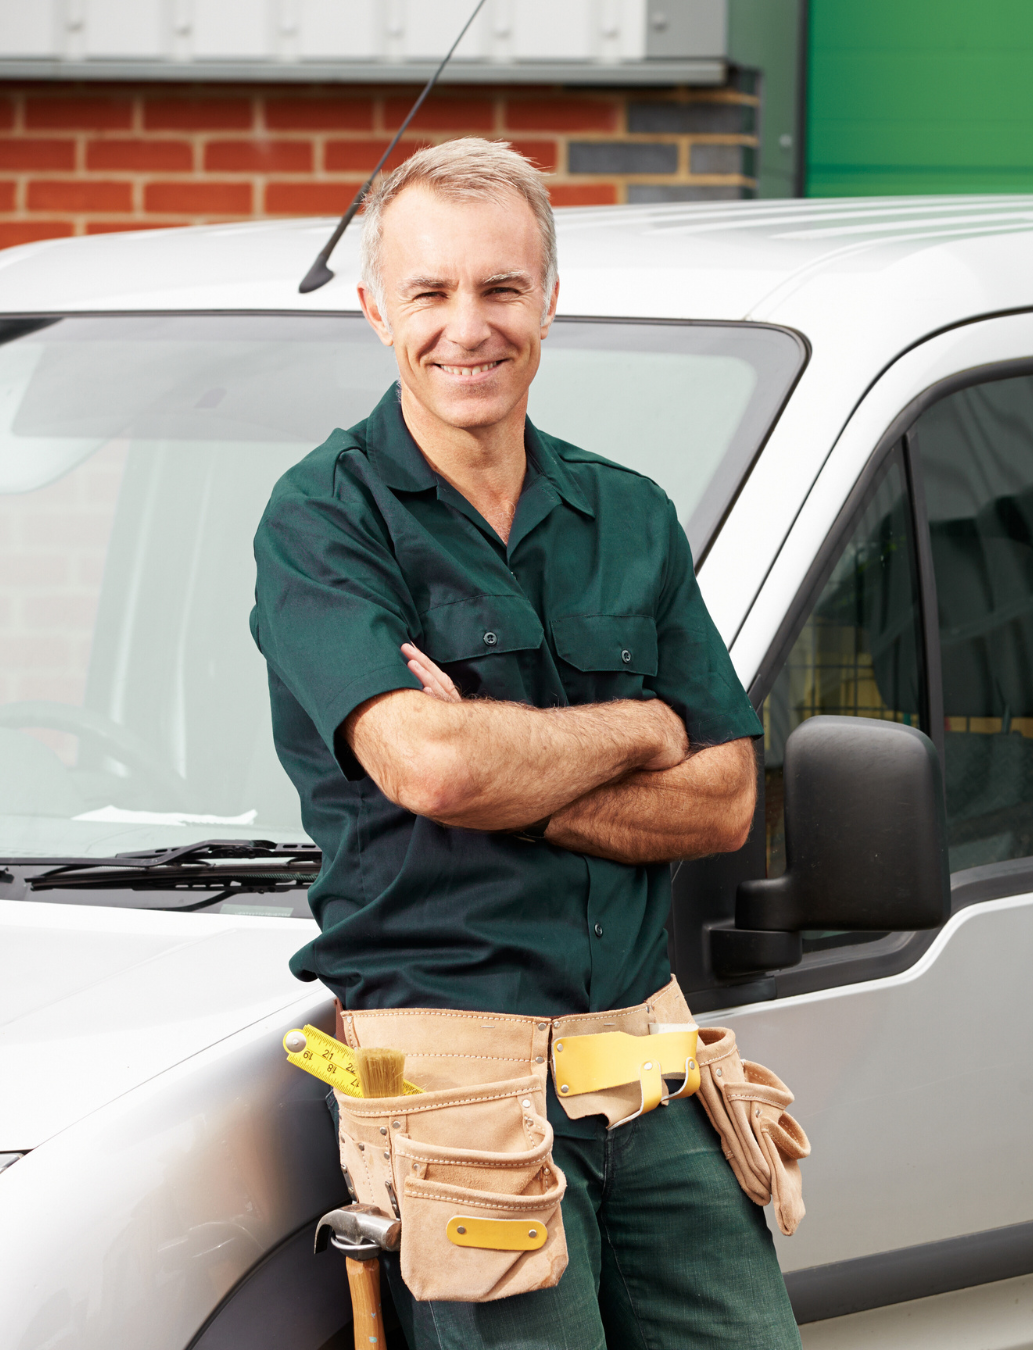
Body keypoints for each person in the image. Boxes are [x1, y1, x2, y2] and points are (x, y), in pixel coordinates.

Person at [251, 138, 801, 1349]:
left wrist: (510, 773)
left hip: (645, 1064)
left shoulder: (628, 514)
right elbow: (431, 769)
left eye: (500, 288)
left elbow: (718, 801)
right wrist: (638, 729)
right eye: (431, 292)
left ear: (550, 297)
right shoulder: (323, 517)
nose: (468, 327)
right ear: (373, 309)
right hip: (455, 1085)